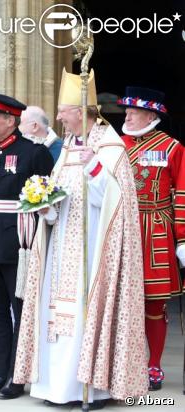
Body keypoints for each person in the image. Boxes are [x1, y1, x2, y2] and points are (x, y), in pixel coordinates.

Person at [13, 69, 148, 407]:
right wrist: (46, 208)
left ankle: (90, 388)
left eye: (62, 109)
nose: (57, 116)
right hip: (61, 251)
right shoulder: (70, 144)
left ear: (81, 111)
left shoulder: (110, 146)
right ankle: (54, 387)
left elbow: (117, 205)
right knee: (55, 316)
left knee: (83, 316)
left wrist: (96, 168)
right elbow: (63, 195)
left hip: (94, 253)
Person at [0, 92, 54, 399]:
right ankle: (1, 373)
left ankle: (19, 377)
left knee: (20, 311)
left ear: (10, 121)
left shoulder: (34, 153)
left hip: (18, 241)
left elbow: (47, 197)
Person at [118, 86, 185, 391]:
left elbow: (183, 194)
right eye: (128, 113)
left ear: (150, 114)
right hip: (124, 228)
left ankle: (154, 364)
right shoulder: (117, 146)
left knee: (153, 305)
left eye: (133, 113)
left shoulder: (173, 148)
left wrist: (182, 239)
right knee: (120, 301)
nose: (127, 117)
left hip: (157, 230)